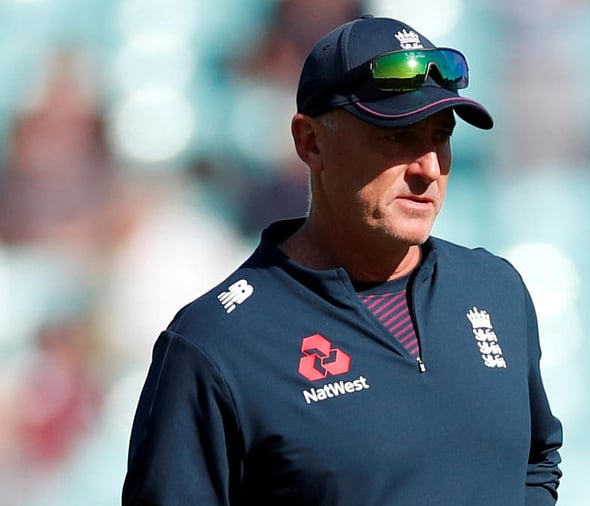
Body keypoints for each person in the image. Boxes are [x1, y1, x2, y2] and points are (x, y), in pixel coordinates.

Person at [122, 15, 563, 505]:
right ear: (311, 142)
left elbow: (537, 459)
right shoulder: (217, 343)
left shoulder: (495, 290)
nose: (428, 168)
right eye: (396, 137)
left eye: (440, 137)